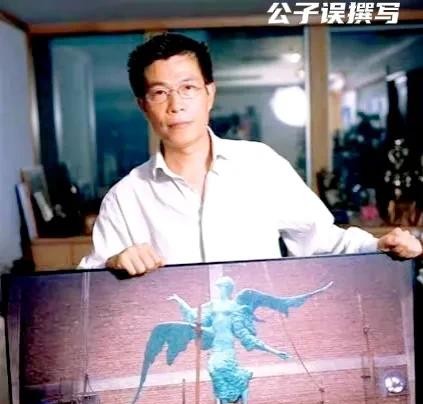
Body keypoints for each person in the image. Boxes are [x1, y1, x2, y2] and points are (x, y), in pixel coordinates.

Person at [78, 33, 422, 275]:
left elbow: (322, 240)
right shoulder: (125, 198)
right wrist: (113, 264)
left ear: (210, 94)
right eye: (159, 92)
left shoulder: (260, 165)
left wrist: (378, 247)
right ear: (143, 105)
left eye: (188, 87)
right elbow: (85, 290)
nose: (176, 104)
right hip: (176, 354)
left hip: (262, 345)